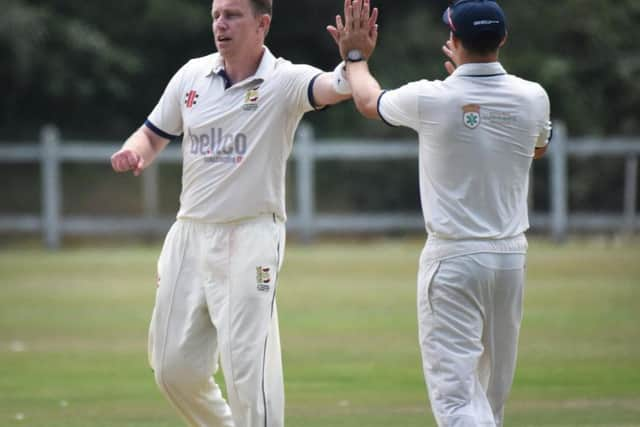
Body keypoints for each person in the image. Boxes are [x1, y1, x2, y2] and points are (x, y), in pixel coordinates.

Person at [110, 0, 376, 425]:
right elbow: (151, 134)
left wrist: (355, 57)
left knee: (248, 372)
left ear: (262, 24)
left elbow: (335, 86)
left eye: (232, 15)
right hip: (190, 234)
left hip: (251, 235)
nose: (221, 23)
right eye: (216, 14)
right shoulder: (192, 75)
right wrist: (133, 152)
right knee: (171, 369)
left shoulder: (283, 79)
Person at [328, 0, 551, 425]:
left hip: (453, 259)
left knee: (456, 401)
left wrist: (355, 57)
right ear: (502, 39)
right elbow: (537, 147)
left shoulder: (432, 98)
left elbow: (369, 101)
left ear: (453, 40)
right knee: (489, 396)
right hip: (510, 260)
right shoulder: (533, 97)